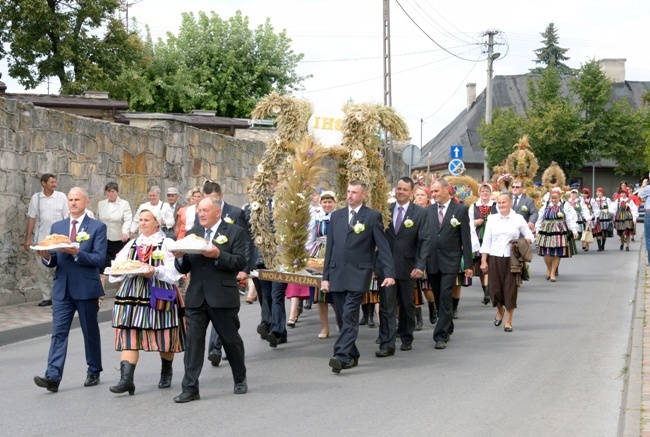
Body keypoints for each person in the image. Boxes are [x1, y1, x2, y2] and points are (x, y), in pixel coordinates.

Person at [172, 197, 248, 402]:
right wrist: (179, 256)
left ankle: (239, 378)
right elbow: (184, 267)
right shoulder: (192, 234)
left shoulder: (234, 232)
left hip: (222, 297)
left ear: (218, 213)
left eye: (206, 210)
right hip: (196, 297)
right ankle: (190, 388)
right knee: (193, 343)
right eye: (199, 211)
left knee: (230, 340)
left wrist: (217, 255)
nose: (202, 214)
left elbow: (240, 262)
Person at [33, 187, 107, 392]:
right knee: (58, 332)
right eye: (70, 200)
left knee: (89, 331)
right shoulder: (58, 226)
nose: (73, 203)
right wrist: (47, 256)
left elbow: (99, 259)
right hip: (62, 289)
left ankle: (93, 370)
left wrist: (77, 252)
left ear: (86, 202)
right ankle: (53, 376)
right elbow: (55, 259)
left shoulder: (97, 227)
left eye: (77, 200)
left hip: (86, 287)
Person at [107, 207, 185, 395]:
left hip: (158, 292)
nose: (142, 223)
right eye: (140, 220)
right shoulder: (133, 244)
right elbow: (118, 265)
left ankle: (166, 371)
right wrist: (117, 272)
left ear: (157, 222)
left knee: (164, 334)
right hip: (131, 294)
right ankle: (126, 380)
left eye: (146, 220)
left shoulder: (166, 243)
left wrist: (155, 271)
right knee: (128, 334)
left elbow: (175, 272)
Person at [320, 180, 395, 373]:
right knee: (342, 317)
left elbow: (383, 247)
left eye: (354, 192)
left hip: (358, 274)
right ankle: (352, 355)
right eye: (348, 191)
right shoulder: (336, 216)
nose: (350, 195)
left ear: (363, 195)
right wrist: (325, 276)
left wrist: (389, 273)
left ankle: (340, 355)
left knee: (350, 315)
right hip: (336, 274)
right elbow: (331, 248)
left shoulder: (372, 216)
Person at [374, 177, 428, 357]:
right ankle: (386, 343)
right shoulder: (385, 211)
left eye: (405, 189)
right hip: (386, 266)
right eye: (398, 189)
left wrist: (420, 265)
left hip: (408, 267)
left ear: (412, 192)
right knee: (386, 305)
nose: (401, 192)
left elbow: (424, 241)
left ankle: (406, 336)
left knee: (406, 304)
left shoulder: (420, 213)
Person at [201, 181, 250, 361]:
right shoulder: (201, 215)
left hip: (229, 269)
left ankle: (224, 346)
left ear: (221, 196)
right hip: (207, 275)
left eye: (213, 199)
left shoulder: (236, 213)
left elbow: (244, 243)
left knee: (226, 316)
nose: (208, 205)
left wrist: (244, 269)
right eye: (206, 200)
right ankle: (215, 349)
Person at [426, 178, 473, 350]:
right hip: (432, 261)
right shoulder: (427, 211)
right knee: (438, 297)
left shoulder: (460, 210)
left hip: (451, 260)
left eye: (436, 191)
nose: (434, 195)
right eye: (432, 192)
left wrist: (468, 263)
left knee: (446, 295)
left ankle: (440, 335)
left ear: (447, 190)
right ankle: (448, 324)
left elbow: (465, 238)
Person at [480, 193, 534, 332]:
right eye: (499, 203)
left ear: (510, 203)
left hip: (512, 259)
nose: (501, 205)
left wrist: (519, 243)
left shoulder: (518, 218)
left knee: (510, 290)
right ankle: (500, 311)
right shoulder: (492, 219)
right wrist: (483, 261)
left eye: (504, 202)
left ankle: (508, 321)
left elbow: (530, 236)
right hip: (494, 258)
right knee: (494, 291)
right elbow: (486, 241)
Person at [23, 173, 69, 306]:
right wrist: (27, 239)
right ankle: (46, 297)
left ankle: (59, 296)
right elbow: (32, 218)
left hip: (58, 241)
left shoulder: (61, 197)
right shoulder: (36, 198)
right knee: (42, 270)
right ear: (43, 183)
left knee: (58, 270)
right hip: (41, 241)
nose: (55, 184)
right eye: (52, 182)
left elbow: (66, 217)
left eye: (55, 182)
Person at [306, 190, 337, 339]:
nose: (327, 204)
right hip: (318, 252)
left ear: (334, 203)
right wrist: (306, 253)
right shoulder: (316, 218)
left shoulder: (339, 217)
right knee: (319, 293)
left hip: (334, 253)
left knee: (335, 292)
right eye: (324, 202)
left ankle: (340, 320)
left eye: (330, 202)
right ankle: (325, 326)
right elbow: (311, 236)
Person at [535, 188, 579, 282]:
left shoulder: (565, 206)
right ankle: (549, 268)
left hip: (559, 231)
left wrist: (574, 231)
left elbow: (569, 219)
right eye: (552, 198)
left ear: (560, 197)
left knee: (557, 252)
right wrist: (537, 230)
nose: (554, 200)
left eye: (555, 198)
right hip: (546, 231)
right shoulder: (546, 205)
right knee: (546, 252)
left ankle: (553, 272)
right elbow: (539, 218)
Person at [96, 182, 132, 288]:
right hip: (104, 238)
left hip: (119, 238)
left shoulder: (124, 204)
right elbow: (98, 219)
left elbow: (127, 219)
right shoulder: (101, 204)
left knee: (119, 262)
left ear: (117, 192)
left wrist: (125, 232)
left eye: (113, 191)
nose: (110, 194)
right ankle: (101, 288)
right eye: (108, 191)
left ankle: (120, 286)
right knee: (102, 262)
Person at [468, 183, 497, 306]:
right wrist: (474, 222)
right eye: (483, 191)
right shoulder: (473, 207)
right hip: (478, 238)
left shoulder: (495, 206)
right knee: (481, 265)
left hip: (492, 239)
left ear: (490, 193)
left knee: (489, 263)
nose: (485, 193)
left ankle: (487, 291)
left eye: (487, 191)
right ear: (479, 193)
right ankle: (485, 289)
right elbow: (467, 222)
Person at [413, 185, 436, 327]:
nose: (419, 197)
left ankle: (433, 307)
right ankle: (418, 319)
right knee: (414, 289)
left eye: (422, 195)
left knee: (427, 288)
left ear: (428, 197)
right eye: (417, 195)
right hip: (413, 254)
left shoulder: (431, 212)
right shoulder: (411, 211)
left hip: (426, 254)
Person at [591, 187, 615, 252]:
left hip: (605, 217)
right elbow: (592, 208)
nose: (598, 193)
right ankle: (599, 246)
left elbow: (610, 206)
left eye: (599, 192)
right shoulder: (594, 200)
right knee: (598, 231)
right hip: (597, 216)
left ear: (602, 193)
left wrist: (610, 212)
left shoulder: (607, 199)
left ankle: (603, 244)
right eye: (597, 192)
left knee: (604, 232)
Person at [638, 177, 650, 265]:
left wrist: (643, 185)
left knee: (648, 238)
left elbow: (639, 195)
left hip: (649, 213)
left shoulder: (648, 188)